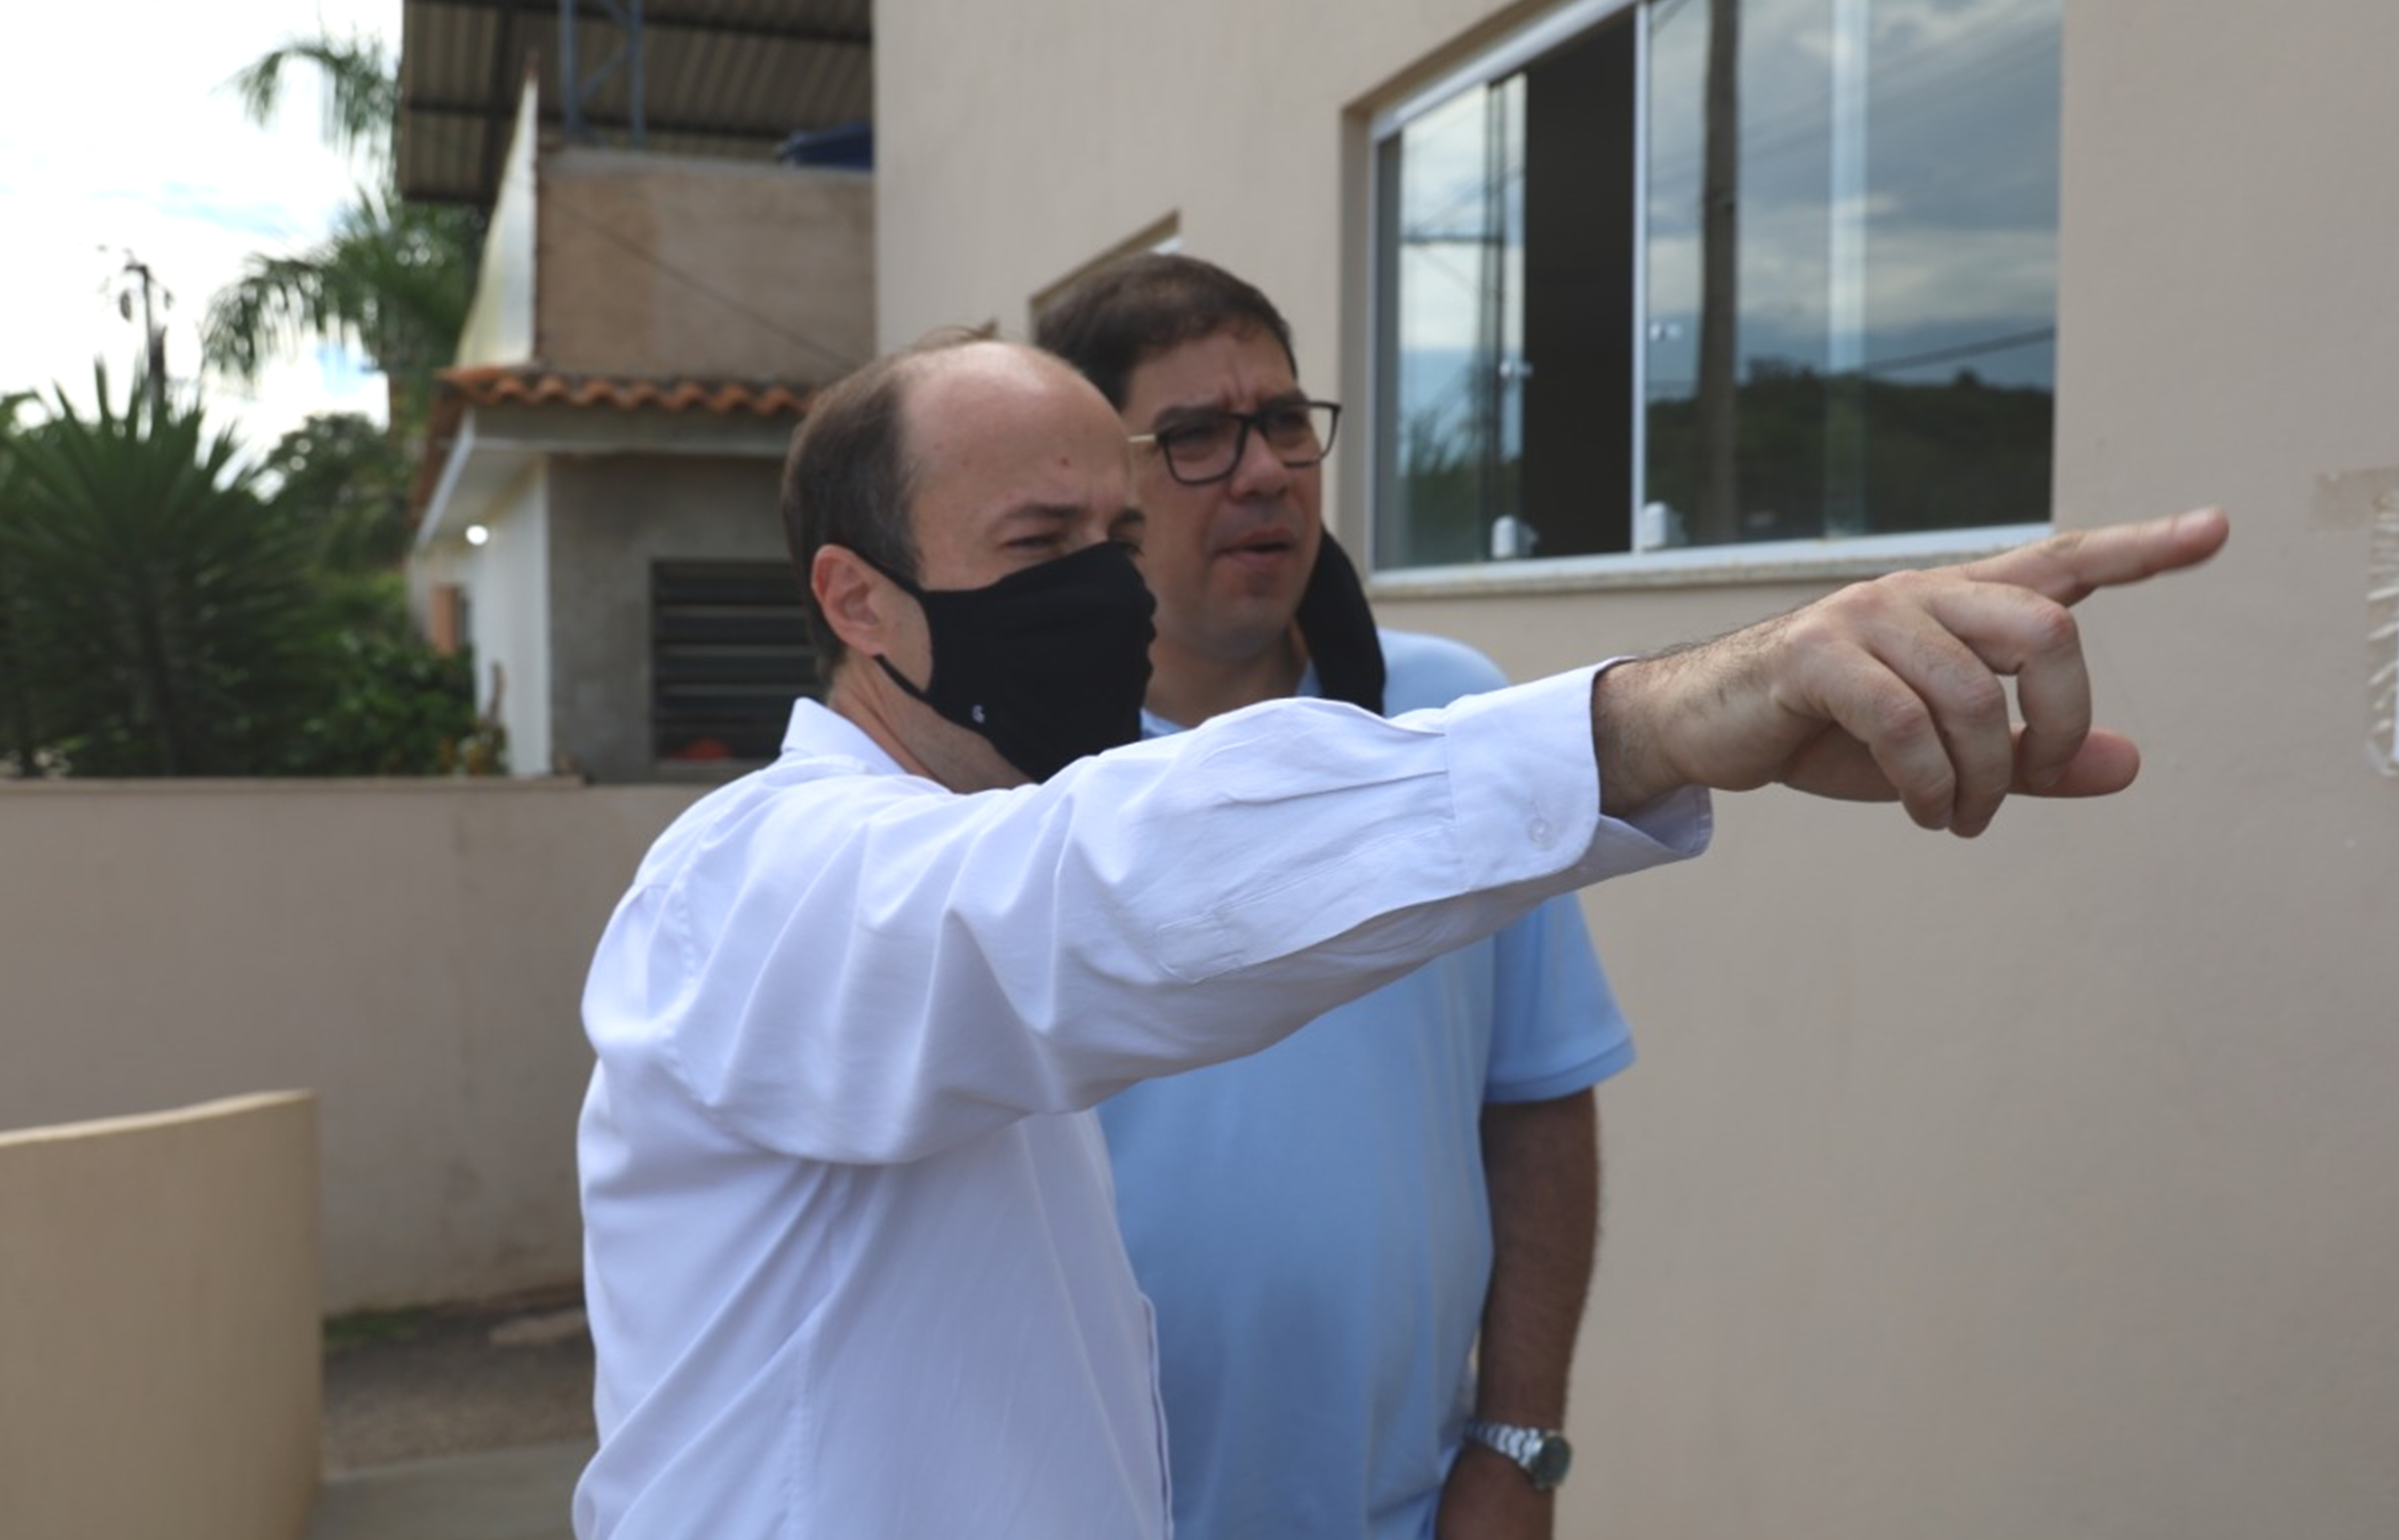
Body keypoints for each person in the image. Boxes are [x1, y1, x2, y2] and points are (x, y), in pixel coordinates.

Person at [572, 331, 2227, 1540]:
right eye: (1037, 545)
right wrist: (1655, 722)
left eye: (1113, 542)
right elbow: (1099, 893)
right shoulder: (752, 888)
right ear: (857, 599)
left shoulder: (963, 835)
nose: (1106, 591)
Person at [1037, 253, 1622, 1540]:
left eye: (1284, 421)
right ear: (1094, 489)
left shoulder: (1456, 721)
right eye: (1195, 435)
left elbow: (1537, 1097)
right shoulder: (1014, 780)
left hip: (1402, 1511)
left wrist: (1516, 1449)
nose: (1262, 471)